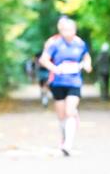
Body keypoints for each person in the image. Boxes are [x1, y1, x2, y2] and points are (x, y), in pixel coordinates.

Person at [39, 17, 92, 157]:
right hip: (58, 82)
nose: (68, 32)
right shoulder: (54, 44)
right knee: (61, 115)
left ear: (75, 30)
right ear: (60, 30)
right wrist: (55, 69)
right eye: (65, 30)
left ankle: (68, 144)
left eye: (70, 29)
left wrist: (87, 65)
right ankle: (64, 138)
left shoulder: (80, 44)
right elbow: (43, 59)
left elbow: (86, 57)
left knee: (69, 111)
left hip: (74, 81)